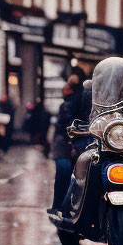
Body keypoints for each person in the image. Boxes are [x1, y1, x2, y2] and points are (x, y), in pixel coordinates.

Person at [50, 74, 84, 213]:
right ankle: (63, 206)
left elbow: (69, 125)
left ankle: (60, 207)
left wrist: (71, 142)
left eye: (66, 85)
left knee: (63, 178)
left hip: (65, 146)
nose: (63, 88)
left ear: (70, 88)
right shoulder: (79, 102)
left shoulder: (67, 104)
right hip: (69, 145)